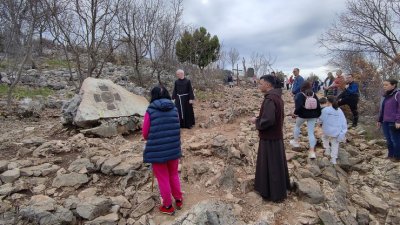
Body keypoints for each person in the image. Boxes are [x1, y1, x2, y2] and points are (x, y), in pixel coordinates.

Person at [142, 85, 183, 215]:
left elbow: (145, 134)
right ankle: (179, 199)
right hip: (173, 148)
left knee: (163, 178)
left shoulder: (151, 110)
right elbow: (177, 127)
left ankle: (167, 206)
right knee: (174, 174)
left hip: (157, 150)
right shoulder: (174, 109)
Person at [249, 75, 290, 202]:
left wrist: (256, 121)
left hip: (270, 138)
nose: (259, 85)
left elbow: (269, 120)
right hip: (275, 137)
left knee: (271, 166)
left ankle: (273, 194)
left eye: (261, 83)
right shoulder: (277, 97)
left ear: (267, 85)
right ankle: (278, 190)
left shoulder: (270, 99)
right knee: (276, 165)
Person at [290, 81, 322, 159]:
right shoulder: (314, 95)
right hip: (313, 116)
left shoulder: (300, 95)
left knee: (297, 126)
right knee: (311, 132)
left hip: (302, 115)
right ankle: (312, 152)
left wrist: (295, 113)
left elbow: (298, 107)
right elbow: (318, 106)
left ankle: (296, 142)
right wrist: (318, 115)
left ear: (302, 87)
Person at [319, 96, 348, 164]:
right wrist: (343, 132)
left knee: (324, 137)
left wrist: (319, 124)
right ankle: (333, 159)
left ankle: (327, 150)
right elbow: (344, 122)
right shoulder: (339, 110)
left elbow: (320, 119)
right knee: (335, 144)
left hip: (327, 130)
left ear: (328, 102)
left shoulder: (325, 110)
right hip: (337, 131)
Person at [377, 79, 400, 161]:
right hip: (385, 121)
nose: (384, 87)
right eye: (384, 85)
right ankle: (390, 155)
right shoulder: (385, 95)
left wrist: (398, 120)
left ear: (393, 85)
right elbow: (382, 109)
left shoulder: (398, 94)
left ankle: (397, 157)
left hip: (394, 121)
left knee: (395, 140)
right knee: (388, 140)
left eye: (386, 85)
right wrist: (379, 120)